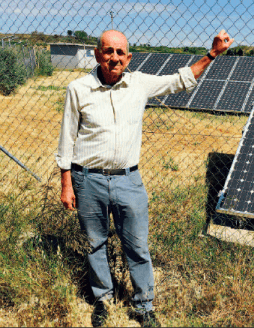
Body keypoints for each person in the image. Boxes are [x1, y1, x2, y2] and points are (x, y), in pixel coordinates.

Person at [56, 29, 234, 327]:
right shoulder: (78, 88)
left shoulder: (138, 84)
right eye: (108, 51)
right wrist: (66, 184)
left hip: (129, 180)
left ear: (128, 57)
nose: (114, 57)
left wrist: (212, 54)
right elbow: (67, 138)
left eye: (120, 52)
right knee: (94, 243)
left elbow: (179, 79)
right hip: (87, 180)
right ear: (98, 54)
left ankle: (144, 306)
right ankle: (102, 299)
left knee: (137, 245)